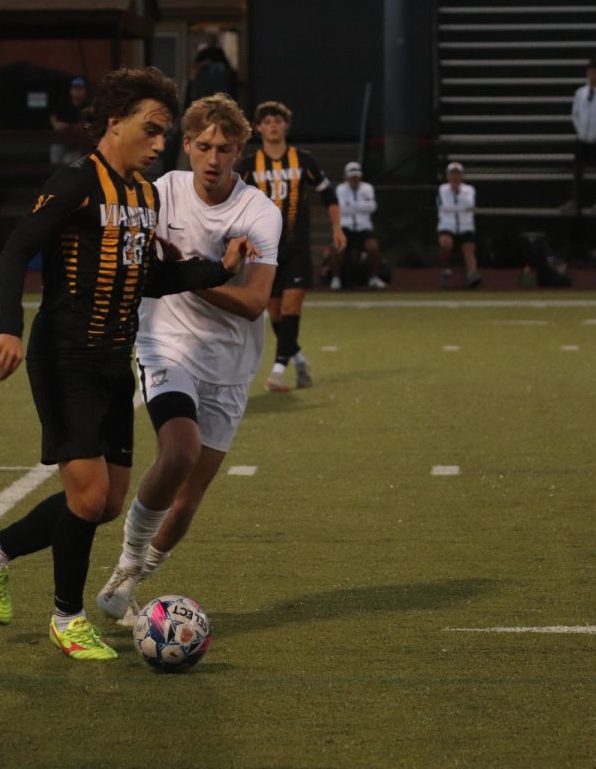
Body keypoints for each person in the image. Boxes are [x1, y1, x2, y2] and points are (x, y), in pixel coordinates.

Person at [0, 67, 257, 661]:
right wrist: (8, 329)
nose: (158, 145)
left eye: (163, 134)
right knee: (90, 497)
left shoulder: (143, 197)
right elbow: (16, 250)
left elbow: (152, 276)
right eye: (150, 130)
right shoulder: (75, 184)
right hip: (64, 357)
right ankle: (66, 618)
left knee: (108, 502)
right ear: (114, 122)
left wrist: (218, 268)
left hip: (113, 363)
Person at [93, 93, 282, 625]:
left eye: (225, 148)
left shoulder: (259, 214)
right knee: (177, 451)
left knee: (186, 503)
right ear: (188, 146)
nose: (214, 158)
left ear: (241, 149)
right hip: (165, 344)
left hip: (231, 364)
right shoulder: (160, 193)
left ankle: (134, 575)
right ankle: (125, 569)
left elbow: (251, 304)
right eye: (203, 146)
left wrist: (191, 276)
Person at [236, 101, 346, 393]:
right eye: (267, 121)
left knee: (290, 307)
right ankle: (298, 360)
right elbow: (231, 200)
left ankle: (276, 372)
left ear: (286, 126)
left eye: (278, 121)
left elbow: (329, 195)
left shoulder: (303, 160)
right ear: (258, 128)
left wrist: (336, 228)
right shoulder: (249, 164)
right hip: (263, 250)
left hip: (296, 248)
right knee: (275, 312)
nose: (272, 126)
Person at [562, 58, 596, 215]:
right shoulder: (580, 92)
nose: (592, 74)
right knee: (578, 171)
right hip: (582, 138)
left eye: (595, 72)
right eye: (590, 71)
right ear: (587, 73)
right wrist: (580, 131)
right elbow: (575, 114)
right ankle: (575, 201)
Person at [330, 161, 384, 290]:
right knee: (338, 246)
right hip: (345, 226)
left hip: (363, 226)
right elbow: (341, 209)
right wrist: (360, 206)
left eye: (357, 176)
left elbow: (372, 207)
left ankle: (373, 278)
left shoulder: (368, 188)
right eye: (352, 176)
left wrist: (352, 206)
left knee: (372, 247)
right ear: (346, 177)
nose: (354, 179)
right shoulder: (340, 189)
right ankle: (336, 278)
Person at [436, 162, 480, 289]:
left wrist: (458, 194)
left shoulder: (469, 189)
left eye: (457, 174)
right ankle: (446, 271)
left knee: (469, 248)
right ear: (447, 176)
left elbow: (470, 205)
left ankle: (472, 273)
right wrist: (459, 207)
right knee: (445, 243)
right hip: (447, 224)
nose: (455, 177)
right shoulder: (442, 189)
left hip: (465, 224)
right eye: (452, 174)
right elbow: (444, 206)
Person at [49, 77, 89, 165]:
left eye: (80, 89)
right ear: (71, 90)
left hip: (79, 143)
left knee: (69, 162)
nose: (77, 91)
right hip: (61, 139)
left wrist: (79, 127)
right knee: (55, 158)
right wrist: (56, 124)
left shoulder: (88, 106)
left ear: (84, 91)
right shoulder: (64, 104)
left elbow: (91, 123)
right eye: (75, 89)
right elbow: (53, 116)